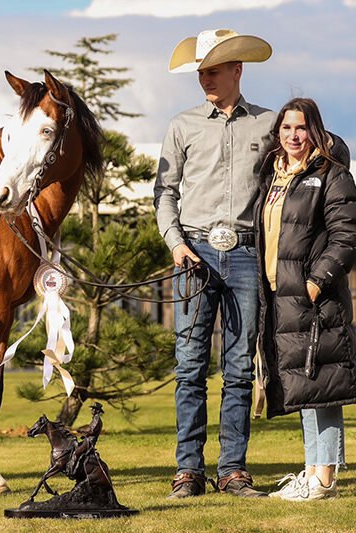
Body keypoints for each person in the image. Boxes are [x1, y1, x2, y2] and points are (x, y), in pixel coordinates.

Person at [154, 29, 276, 498]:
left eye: (212, 70)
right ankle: (189, 471)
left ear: (237, 69)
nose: (204, 79)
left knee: (240, 368)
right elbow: (164, 193)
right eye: (200, 72)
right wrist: (175, 244)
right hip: (195, 255)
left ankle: (233, 471)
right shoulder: (181, 125)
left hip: (246, 253)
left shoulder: (269, 124)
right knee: (189, 368)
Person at [253, 98, 356, 501]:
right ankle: (312, 472)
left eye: (300, 128)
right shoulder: (275, 176)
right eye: (286, 129)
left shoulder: (332, 174)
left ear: (315, 130)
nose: (293, 136)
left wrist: (318, 280)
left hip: (316, 299)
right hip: (282, 297)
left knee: (323, 385)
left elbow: (347, 236)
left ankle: (324, 480)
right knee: (305, 388)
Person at [66, 402, 103, 476]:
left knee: (76, 453)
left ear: (97, 410)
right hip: (87, 439)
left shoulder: (97, 419)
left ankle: (72, 471)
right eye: (92, 409)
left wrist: (82, 431)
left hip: (89, 442)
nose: (92, 410)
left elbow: (92, 431)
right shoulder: (95, 418)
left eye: (94, 409)